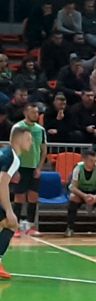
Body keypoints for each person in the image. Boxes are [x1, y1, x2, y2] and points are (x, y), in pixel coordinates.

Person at [0, 126, 34, 279]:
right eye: (29, 139)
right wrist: (9, 210)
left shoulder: (5, 152)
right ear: (19, 139)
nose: (31, 143)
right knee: (11, 223)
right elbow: (2, 183)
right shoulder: (13, 157)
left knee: (8, 224)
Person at [11, 103, 47, 237]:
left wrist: (39, 167)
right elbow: (13, 149)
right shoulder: (17, 127)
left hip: (34, 167)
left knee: (33, 196)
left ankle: (30, 226)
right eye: (33, 112)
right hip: (21, 167)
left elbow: (44, 151)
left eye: (37, 113)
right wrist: (15, 169)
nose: (36, 115)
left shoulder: (40, 130)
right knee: (19, 197)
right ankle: (15, 227)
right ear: (26, 113)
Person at [66, 151, 96, 238]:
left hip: (94, 192)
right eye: (91, 160)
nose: (94, 163)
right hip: (81, 192)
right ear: (84, 160)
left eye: (95, 160)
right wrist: (84, 196)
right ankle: (70, 228)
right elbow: (73, 187)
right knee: (73, 197)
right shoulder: (78, 168)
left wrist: (95, 197)